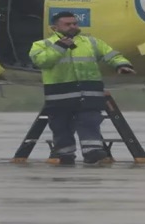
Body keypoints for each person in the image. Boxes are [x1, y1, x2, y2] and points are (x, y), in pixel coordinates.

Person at [29, 11, 135, 164]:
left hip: (89, 92)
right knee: (60, 125)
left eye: (74, 23)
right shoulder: (42, 45)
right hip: (60, 95)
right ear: (54, 27)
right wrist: (60, 47)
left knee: (90, 121)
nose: (72, 27)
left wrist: (122, 64)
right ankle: (64, 154)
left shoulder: (91, 42)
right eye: (67, 24)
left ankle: (92, 152)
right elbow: (42, 61)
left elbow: (111, 55)